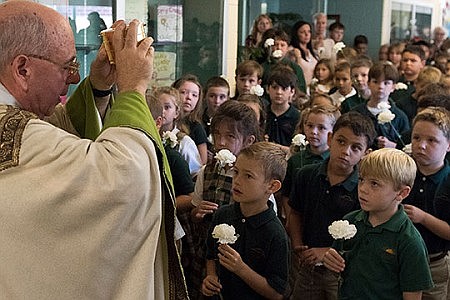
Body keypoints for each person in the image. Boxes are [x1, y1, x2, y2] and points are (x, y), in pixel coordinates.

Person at [0, 2, 187, 299]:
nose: (74, 79)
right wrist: (133, 89)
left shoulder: (17, 126)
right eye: (68, 66)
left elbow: (54, 138)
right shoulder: (19, 135)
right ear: (23, 69)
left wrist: (99, 87)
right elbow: (124, 179)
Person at [287, 112, 377, 300]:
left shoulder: (365, 188)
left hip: (344, 270)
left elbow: (365, 233)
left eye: (356, 147)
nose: (346, 151)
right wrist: (297, 244)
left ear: (366, 153)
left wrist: (328, 251)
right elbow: (295, 212)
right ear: (330, 139)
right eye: (341, 142)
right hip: (309, 265)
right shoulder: (306, 174)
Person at [323, 148, 434, 299]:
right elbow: (340, 268)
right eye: (361, 179)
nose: (362, 189)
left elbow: (412, 295)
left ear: (402, 193)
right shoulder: (350, 222)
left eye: (374, 184)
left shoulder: (409, 240)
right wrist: (332, 263)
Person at [186, 100, 260, 299]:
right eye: (217, 134)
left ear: (249, 141)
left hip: (241, 258)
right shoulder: (206, 171)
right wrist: (198, 213)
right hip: (208, 256)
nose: (221, 142)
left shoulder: (257, 179)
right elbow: (194, 211)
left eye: (230, 136)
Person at [202, 142, 289, 299]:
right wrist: (211, 276)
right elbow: (210, 255)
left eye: (248, 176)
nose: (237, 181)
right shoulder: (223, 215)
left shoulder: (275, 234)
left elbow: (276, 294)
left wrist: (241, 269)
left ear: (272, 186)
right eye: (236, 172)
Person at [403, 107, 450, 300]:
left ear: (448, 145)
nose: (421, 145)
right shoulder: (402, 172)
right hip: (399, 261)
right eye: (416, 138)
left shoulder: (447, 181)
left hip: (434, 263)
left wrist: (423, 218)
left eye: (432, 140)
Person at [352, 62, 409, 149]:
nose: (380, 86)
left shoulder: (400, 116)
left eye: (386, 83)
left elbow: (407, 147)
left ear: (393, 87)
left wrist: (394, 146)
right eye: (375, 82)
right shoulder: (356, 113)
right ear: (368, 83)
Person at [152, 87, 202, 177]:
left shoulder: (184, 142)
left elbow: (195, 174)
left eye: (167, 107)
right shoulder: (149, 137)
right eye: (158, 107)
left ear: (176, 113)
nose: (162, 111)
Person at [172, 74, 209, 164]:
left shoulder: (196, 127)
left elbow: (202, 163)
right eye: (183, 92)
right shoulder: (166, 121)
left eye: (194, 95)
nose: (189, 97)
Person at [260, 28, 307, 94]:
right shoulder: (263, 67)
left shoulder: (295, 68)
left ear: (287, 48)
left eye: (282, 45)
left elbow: (301, 90)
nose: (279, 48)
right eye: (276, 45)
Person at [265, 66, 300, 153]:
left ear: (292, 91)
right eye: (274, 87)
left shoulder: (297, 117)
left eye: (284, 88)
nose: (279, 92)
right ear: (267, 89)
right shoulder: (263, 113)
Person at [291, 20, 319, 86]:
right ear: (296, 34)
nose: (307, 34)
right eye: (302, 32)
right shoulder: (292, 51)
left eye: (309, 31)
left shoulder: (311, 52)